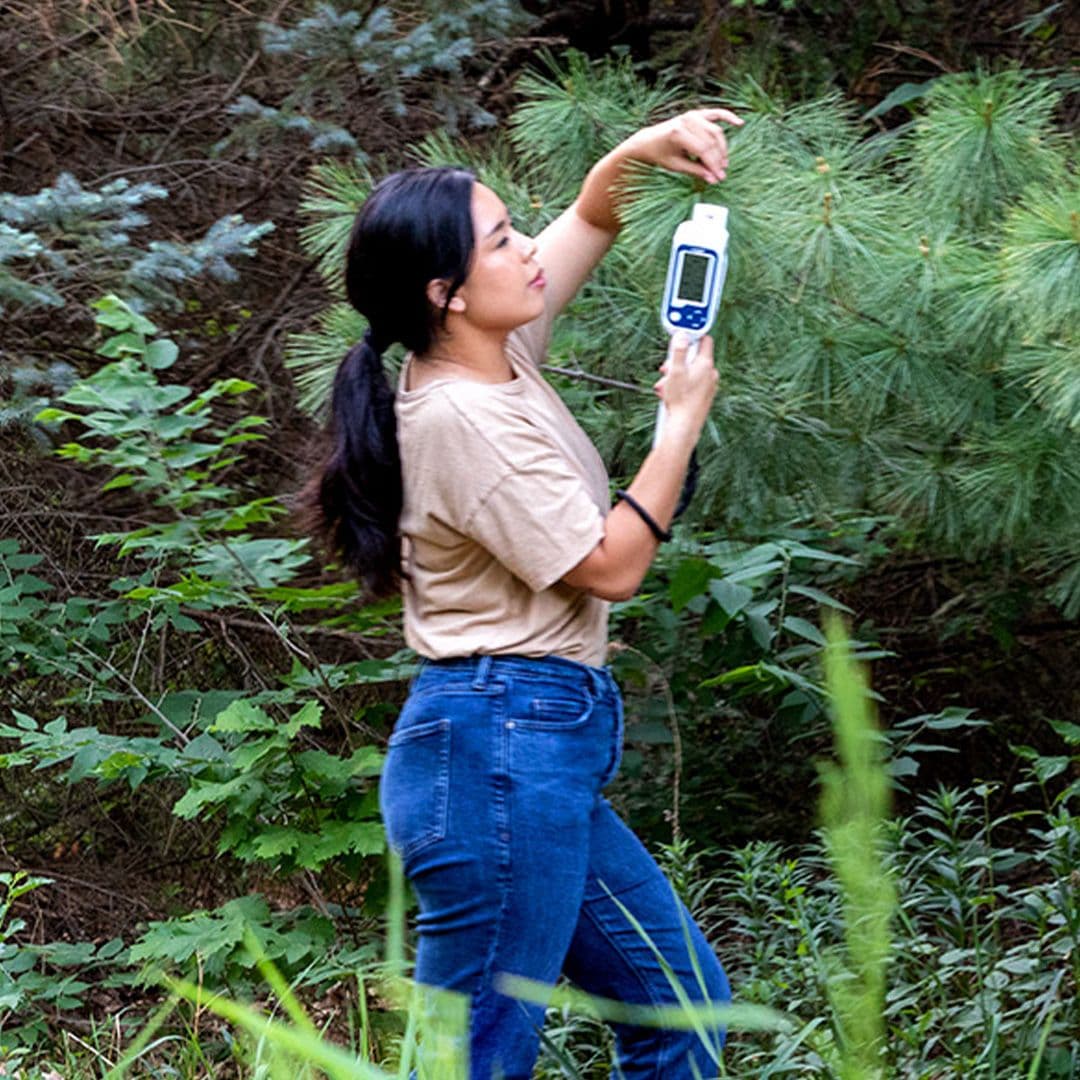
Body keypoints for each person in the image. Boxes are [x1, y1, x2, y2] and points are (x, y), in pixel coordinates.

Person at [300, 106, 742, 1079]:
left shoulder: (498, 360)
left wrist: (639, 150)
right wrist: (676, 430)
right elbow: (612, 565)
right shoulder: (459, 417)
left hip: (533, 747)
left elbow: (589, 218)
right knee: (472, 1061)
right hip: (498, 747)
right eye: (502, 239)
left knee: (684, 1014)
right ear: (445, 292)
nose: (525, 246)